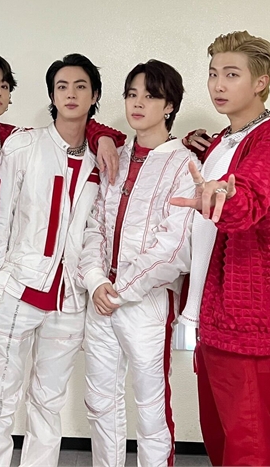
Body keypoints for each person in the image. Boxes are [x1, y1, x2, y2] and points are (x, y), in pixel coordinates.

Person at [0, 53, 124, 466]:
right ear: (51, 95)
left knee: (48, 402)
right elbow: (2, 216)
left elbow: (94, 229)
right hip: (15, 292)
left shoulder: (101, 158)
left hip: (68, 300)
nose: (70, 94)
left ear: (95, 96)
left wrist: (104, 136)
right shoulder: (24, 145)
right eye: (62, 87)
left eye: (81, 87)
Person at [172, 31, 270, 466]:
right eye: (213, 73)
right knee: (220, 440)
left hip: (246, 315)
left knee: (249, 447)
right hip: (211, 313)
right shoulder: (223, 140)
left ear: (260, 82)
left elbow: (255, 198)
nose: (218, 84)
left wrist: (226, 198)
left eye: (232, 75)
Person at [80, 59, 195, 467]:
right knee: (100, 402)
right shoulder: (114, 156)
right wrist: (96, 280)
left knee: (151, 407)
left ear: (169, 105)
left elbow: (175, 248)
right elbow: (94, 224)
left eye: (150, 95)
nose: (138, 103)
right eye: (131, 94)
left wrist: (122, 289)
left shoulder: (184, 163)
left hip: (146, 302)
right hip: (100, 297)